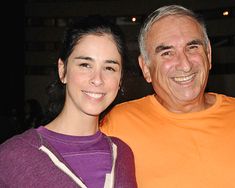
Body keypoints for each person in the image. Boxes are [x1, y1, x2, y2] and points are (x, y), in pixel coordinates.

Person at [100, 5, 235, 188]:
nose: (185, 65)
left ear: (209, 55)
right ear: (146, 68)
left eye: (192, 47)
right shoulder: (117, 125)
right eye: (167, 53)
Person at [0, 16, 137, 188]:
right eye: (85, 65)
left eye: (109, 68)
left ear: (120, 79)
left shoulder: (123, 154)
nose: (97, 79)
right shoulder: (13, 157)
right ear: (62, 70)